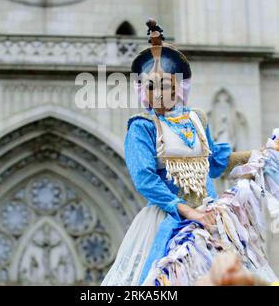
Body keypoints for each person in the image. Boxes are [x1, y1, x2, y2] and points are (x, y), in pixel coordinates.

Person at [101, 19, 277, 286]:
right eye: (150, 86)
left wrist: (262, 153)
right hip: (169, 219)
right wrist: (188, 212)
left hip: (210, 216)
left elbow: (216, 163)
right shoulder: (142, 128)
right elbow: (145, 179)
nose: (157, 92)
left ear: (178, 88)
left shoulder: (197, 119)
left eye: (165, 85)